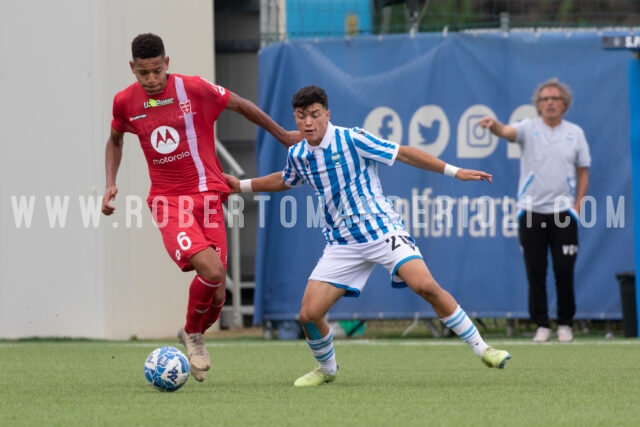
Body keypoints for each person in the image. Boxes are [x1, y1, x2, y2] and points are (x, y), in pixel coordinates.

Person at [224, 85, 511, 387]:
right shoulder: (299, 154)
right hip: (342, 243)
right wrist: (240, 186)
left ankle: (484, 348)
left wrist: (454, 171)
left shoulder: (352, 139)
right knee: (309, 314)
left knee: (425, 285)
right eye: (300, 117)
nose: (307, 123)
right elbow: (286, 180)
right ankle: (327, 368)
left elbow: (404, 154)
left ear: (327, 114)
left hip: (382, 230)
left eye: (314, 115)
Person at [101, 33, 300, 382]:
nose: (151, 80)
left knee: (218, 291)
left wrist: (282, 134)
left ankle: (191, 330)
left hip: (209, 198)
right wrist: (110, 182)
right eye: (143, 73)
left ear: (168, 63)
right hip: (168, 201)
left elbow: (239, 104)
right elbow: (115, 140)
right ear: (132, 68)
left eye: (157, 71)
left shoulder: (193, 89)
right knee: (210, 270)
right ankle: (194, 335)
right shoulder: (124, 102)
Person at [479, 78, 591, 343]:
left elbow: (583, 172)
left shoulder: (575, 133)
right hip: (531, 212)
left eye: (555, 99)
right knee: (535, 270)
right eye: (545, 99)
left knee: (564, 270)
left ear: (564, 104)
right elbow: (507, 132)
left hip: (564, 214)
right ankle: (542, 324)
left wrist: (576, 207)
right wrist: (494, 126)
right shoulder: (528, 128)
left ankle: (565, 323)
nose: (549, 103)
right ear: (538, 105)